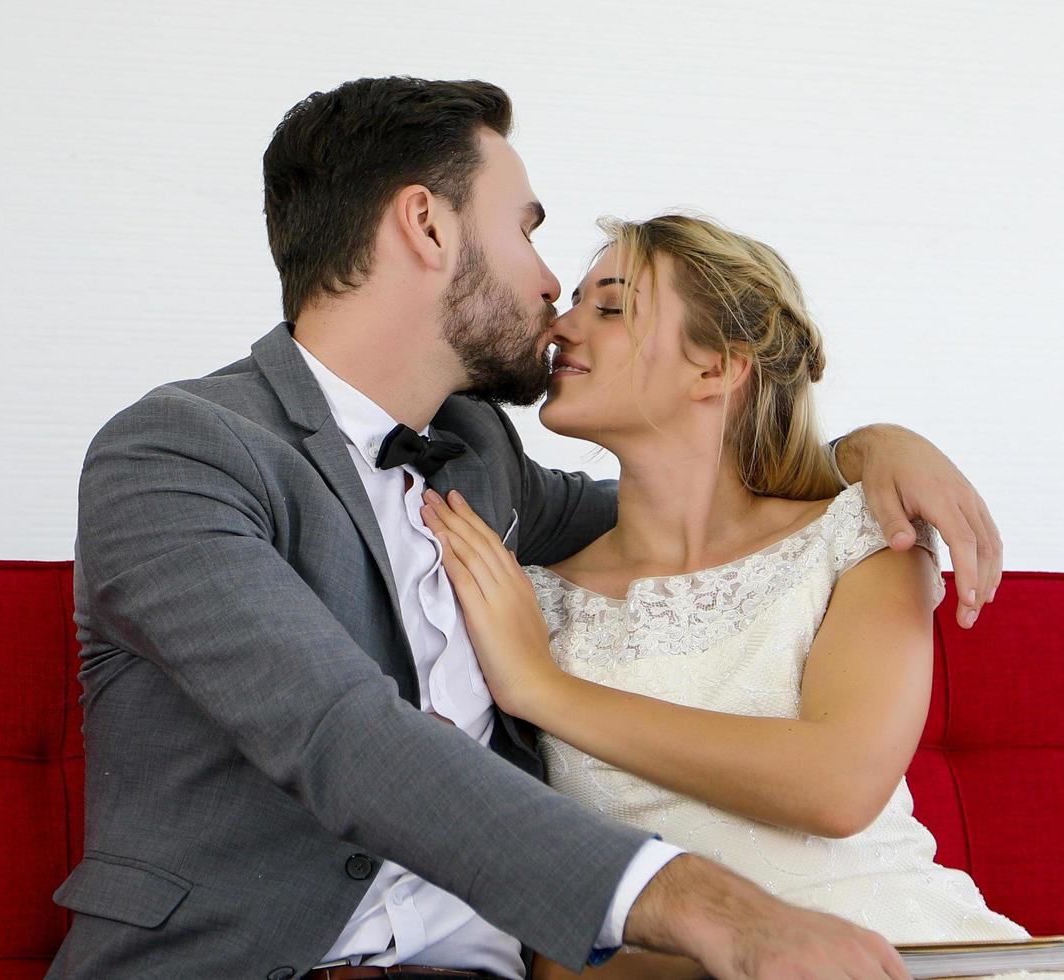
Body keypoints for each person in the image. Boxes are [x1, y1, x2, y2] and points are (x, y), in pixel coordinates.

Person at [48, 76, 1005, 980]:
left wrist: (866, 450)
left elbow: (701, 518)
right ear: (426, 225)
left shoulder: (478, 452)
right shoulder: (178, 453)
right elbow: (339, 731)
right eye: (525, 229)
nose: (552, 291)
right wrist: (710, 906)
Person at [423, 213, 1064, 980]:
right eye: (574, 300)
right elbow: (537, 916)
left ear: (716, 368)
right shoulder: (518, 595)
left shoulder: (865, 538)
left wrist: (546, 691)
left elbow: (836, 786)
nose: (561, 324)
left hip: (909, 949)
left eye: (609, 307)